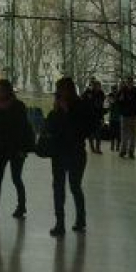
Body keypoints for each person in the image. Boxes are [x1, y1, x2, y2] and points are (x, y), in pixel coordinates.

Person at [44, 77, 95, 237]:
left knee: (75, 186)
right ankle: (59, 222)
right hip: (59, 153)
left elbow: (84, 130)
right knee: (58, 188)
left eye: (61, 90)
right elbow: (50, 127)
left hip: (76, 152)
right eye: (58, 91)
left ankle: (81, 219)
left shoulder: (81, 106)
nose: (59, 93)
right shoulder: (57, 107)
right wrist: (55, 111)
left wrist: (67, 112)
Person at [0, 79, 35, 223]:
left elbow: (23, 129)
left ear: (8, 91)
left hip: (16, 149)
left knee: (16, 178)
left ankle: (21, 206)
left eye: (1, 89)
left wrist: (23, 149)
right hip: (1, 148)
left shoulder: (18, 106)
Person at [117, 76, 136, 159]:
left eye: (130, 82)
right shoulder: (122, 91)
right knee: (124, 134)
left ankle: (131, 151)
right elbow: (117, 102)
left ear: (132, 83)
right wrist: (121, 110)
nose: (129, 84)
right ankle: (123, 150)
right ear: (126, 83)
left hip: (134, 116)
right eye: (128, 82)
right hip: (125, 116)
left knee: (133, 134)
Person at [107, 84, 121, 152]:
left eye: (115, 89)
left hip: (118, 118)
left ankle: (118, 146)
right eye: (113, 89)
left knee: (118, 133)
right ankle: (112, 146)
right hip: (112, 118)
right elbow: (111, 102)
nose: (114, 91)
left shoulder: (119, 95)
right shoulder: (110, 95)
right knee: (112, 133)